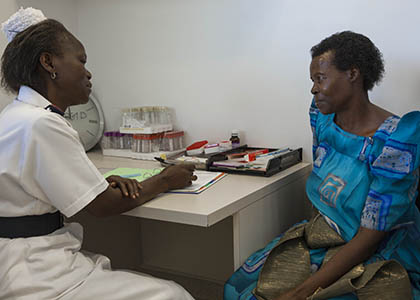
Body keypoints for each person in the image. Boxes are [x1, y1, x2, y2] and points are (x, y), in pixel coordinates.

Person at [0, 7, 197, 300]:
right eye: (81, 60)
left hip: (16, 259)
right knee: (172, 294)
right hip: (35, 270)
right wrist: (167, 179)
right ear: (48, 62)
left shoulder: (15, 115)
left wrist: (97, 183)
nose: (88, 72)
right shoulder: (43, 123)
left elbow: (37, 188)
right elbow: (103, 206)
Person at [224, 31, 420, 300]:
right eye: (312, 80)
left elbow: (370, 238)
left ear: (353, 74)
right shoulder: (323, 119)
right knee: (239, 289)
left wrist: (299, 293)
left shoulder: (396, 141)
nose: (314, 88)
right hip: (326, 237)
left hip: (377, 251)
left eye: (320, 78)